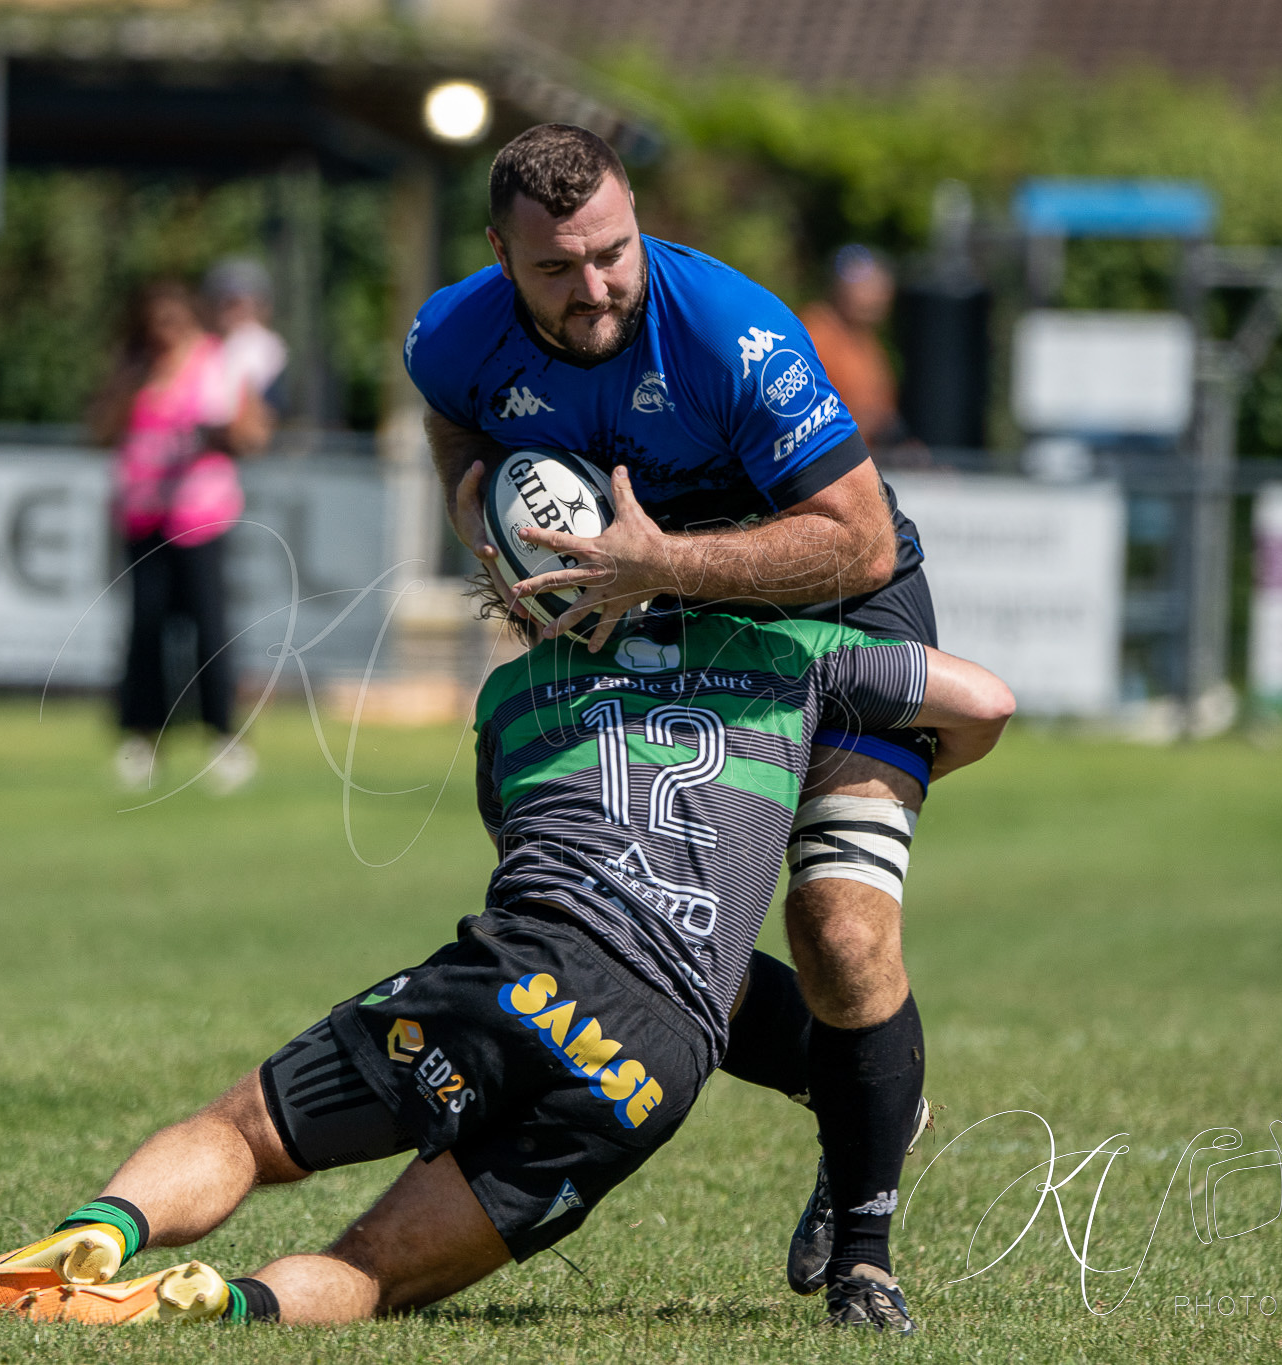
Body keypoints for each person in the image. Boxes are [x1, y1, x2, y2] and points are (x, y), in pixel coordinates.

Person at [0, 603, 1013, 1329]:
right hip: (654, 1065)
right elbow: (984, 701)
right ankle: (216, 1305)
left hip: (525, 970)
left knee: (244, 1135)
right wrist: (821, 767)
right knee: (369, 1273)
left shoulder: (510, 695)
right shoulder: (789, 655)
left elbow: (525, 840)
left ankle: (96, 1232)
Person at [407, 124, 945, 1328]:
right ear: (499, 255)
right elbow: (456, 422)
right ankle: (860, 1087)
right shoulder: (451, 334)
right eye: (556, 269)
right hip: (654, 620)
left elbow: (858, 540)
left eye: (612, 252)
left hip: (837, 609)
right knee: (632, 937)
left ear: (635, 218)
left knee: (837, 928)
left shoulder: (730, 335)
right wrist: (476, 514)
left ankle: (864, 1257)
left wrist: (665, 564)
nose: (594, 287)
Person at [90, 279, 270, 796]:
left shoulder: (217, 364)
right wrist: (125, 392)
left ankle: (223, 737)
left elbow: (252, 433)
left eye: (172, 321)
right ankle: (142, 735)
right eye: (154, 323)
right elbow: (99, 430)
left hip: (200, 514)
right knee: (145, 628)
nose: (163, 333)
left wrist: (221, 431)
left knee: (209, 630)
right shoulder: (134, 368)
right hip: (142, 514)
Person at [799, 246, 904, 449]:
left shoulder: (868, 342)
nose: (880, 296)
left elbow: (884, 411)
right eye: (868, 285)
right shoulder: (815, 335)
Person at [204, 256, 289, 412]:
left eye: (238, 304)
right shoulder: (209, 349)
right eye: (230, 305)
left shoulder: (262, 347)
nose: (239, 312)